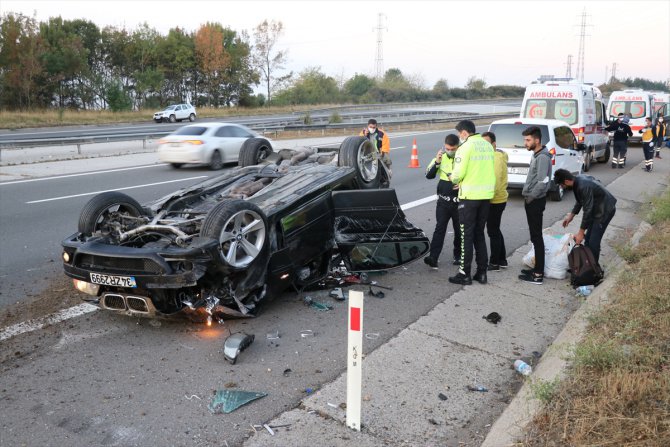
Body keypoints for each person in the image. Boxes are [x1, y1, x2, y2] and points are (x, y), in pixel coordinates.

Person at [448, 120, 496, 285]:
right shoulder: (487, 145)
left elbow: (457, 175)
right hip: (486, 196)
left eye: (459, 134)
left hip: (469, 198)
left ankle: (464, 273)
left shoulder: (465, 147)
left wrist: (451, 177)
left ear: (463, 133)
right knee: (479, 234)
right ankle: (482, 273)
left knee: (466, 236)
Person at [554, 169, 617, 268]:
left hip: (605, 210)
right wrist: (571, 216)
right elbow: (580, 200)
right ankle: (587, 265)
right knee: (588, 239)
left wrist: (580, 232)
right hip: (596, 208)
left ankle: (594, 270)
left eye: (562, 185)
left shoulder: (583, 186)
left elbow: (587, 210)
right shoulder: (577, 181)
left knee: (593, 241)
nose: (562, 187)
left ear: (566, 181)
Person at [519, 126, 552, 285]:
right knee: (534, 236)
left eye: (528, 140)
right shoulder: (537, 155)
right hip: (533, 200)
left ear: (537, 140)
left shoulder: (543, 157)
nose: (525, 143)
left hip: (535, 201)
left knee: (537, 237)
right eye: (525, 140)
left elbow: (542, 182)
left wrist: (531, 197)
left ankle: (538, 274)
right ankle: (537, 269)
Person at [424, 134, 461, 269]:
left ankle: (458, 255)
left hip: (459, 202)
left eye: (453, 149)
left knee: (459, 231)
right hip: (443, 202)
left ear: (458, 147)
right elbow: (429, 175)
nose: (450, 151)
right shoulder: (440, 157)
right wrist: (437, 162)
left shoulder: (463, 158)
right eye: (447, 148)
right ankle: (433, 257)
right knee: (439, 229)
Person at [482, 131, 508, 271]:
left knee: (492, 231)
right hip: (497, 198)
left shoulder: (496, 158)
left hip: (495, 199)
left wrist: (486, 196)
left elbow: (496, 181)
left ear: (494, 144)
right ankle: (502, 260)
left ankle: (494, 263)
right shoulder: (492, 156)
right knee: (495, 230)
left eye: (487, 143)